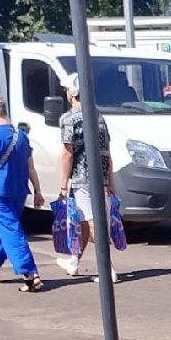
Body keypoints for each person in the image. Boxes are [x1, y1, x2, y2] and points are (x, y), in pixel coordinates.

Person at [0, 90, 45, 292]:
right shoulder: (20, 135)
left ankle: (29, 272)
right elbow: (31, 167)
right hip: (20, 190)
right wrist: (38, 191)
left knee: (9, 228)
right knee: (3, 226)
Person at [55, 72, 117, 282]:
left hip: (82, 178)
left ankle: (108, 270)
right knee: (83, 220)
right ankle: (74, 261)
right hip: (101, 176)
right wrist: (110, 180)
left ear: (72, 93)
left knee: (92, 224)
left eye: (66, 90)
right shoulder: (98, 115)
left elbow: (67, 153)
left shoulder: (69, 118)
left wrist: (63, 185)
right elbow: (106, 150)